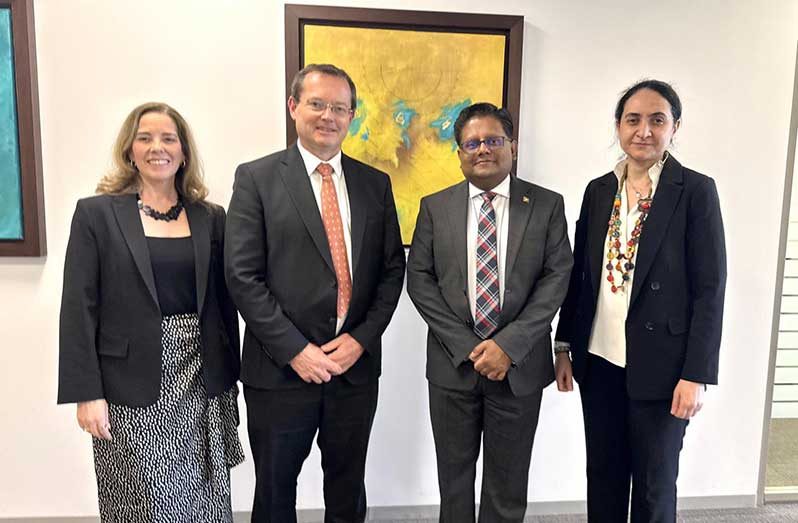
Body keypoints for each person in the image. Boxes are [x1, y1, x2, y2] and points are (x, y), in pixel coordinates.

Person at [224, 63, 405, 523]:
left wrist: (361, 340)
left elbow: (390, 272)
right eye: (317, 104)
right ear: (293, 107)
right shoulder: (256, 179)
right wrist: (296, 350)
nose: (329, 115)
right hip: (281, 373)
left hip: (353, 371)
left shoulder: (375, 184)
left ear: (351, 116)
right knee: (275, 495)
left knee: (347, 491)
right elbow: (242, 276)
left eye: (340, 108)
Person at [57, 102, 244, 522]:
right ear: (129, 150)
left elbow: (224, 304)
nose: (156, 147)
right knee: (147, 503)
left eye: (168, 138)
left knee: (204, 501)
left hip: (200, 383)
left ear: (183, 152)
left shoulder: (211, 217)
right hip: (130, 387)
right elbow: (78, 308)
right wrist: (87, 393)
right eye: (145, 138)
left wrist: (231, 380)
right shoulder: (96, 214)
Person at [554, 80, 727, 522]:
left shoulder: (695, 192)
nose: (644, 130)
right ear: (618, 126)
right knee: (605, 477)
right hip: (600, 362)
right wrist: (563, 344)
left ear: (675, 127)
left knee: (654, 486)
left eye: (657, 120)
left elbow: (711, 289)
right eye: (633, 119)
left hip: (665, 369)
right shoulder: (598, 191)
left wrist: (696, 374)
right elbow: (582, 276)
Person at [406, 102, 573, 523]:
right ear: (459, 152)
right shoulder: (434, 207)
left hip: (519, 368)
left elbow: (556, 280)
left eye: (494, 140)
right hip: (452, 367)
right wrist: (471, 347)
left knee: (508, 484)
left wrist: (507, 346)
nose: (483, 149)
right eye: (472, 142)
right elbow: (420, 282)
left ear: (512, 146)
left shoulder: (547, 205)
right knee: (454, 482)